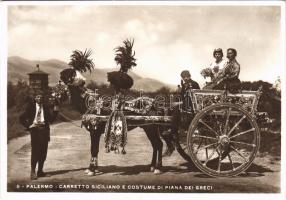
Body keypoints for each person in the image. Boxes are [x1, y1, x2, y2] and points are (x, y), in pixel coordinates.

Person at [19, 91, 58, 180]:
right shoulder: (31, 108)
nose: (39, 98)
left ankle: (40, 171)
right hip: (35, 131)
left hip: (44, 131)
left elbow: (51, 120)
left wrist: (56, 111)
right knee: (35, 151)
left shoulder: (46, 107)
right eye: (37, 97)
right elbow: (21, 118)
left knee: (43, 152)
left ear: (43, 98)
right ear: (35, 98)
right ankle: (33, 171)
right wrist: (29, 126)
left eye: (41, 97)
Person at [162, 70, 200, 157]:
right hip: (185, 105)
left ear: (190, 76)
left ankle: (172, 130)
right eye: (184, 77)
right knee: (170, 107)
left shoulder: (194, 84)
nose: (185, 78)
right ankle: (169, 128)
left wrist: (180, 103)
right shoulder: (184, 85)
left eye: (187, 76)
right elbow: (182, 96)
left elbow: (195, 98)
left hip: (191, 106)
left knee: (176, 109)